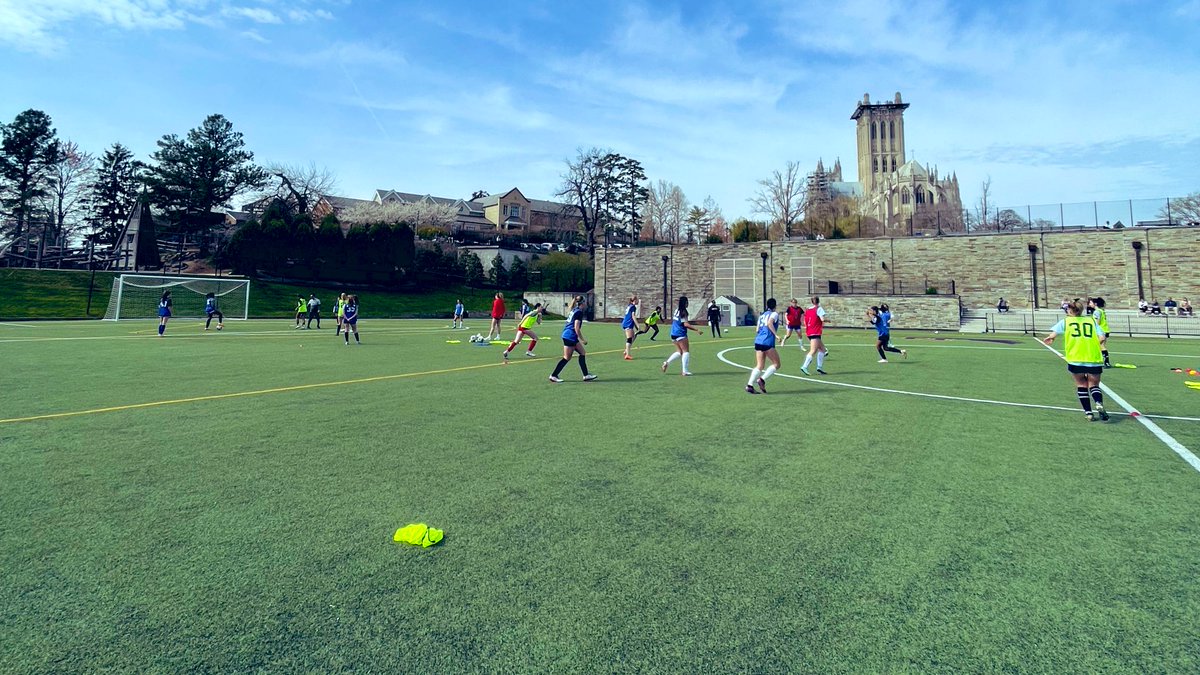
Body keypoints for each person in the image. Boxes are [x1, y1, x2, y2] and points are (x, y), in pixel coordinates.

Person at [1042, 299, 1108, 421]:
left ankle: (1089, 413)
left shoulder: (1066, 322)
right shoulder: (1091, 320)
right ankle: (1098, 403)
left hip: (1076, 357)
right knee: (1094, 385)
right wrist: (1094, 344)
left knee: (1081, 385)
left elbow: (1053, 335)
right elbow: (1102, 337)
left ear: (1070, 310)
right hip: (1093, 357)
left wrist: (1050, 339)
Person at [549, 295, 597, 382]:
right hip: (570, 336)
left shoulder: (574, 310)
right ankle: (553, 375)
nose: (586, 304)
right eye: (585, 302)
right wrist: (582, 340)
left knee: (582, 353)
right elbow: (576, 328)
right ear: (582, 303)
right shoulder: (579, 312)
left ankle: (586, 375)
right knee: (567, 357)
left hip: (570, 336)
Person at [745, 298, 782, 394]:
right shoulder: (774, 314)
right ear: (775, 306)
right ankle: (762, 379)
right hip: (767, 341)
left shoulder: (762, 315)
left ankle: (749, 385)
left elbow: (757, 330)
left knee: (760, 365)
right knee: (776, 364)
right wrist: (776, 335)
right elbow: (770, 323)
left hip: (758, 341)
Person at [661, 295, 704, 376]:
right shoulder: (684, 312)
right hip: (680, 333)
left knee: (679, 352)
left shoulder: (676, 310)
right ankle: (685, 371)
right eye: (687, 302)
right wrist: (697, 330)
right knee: (686, 352)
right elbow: (686, 324)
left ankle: (666, 362)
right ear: (685, 303)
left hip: (673, 333)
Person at [800, 296, 828, 376]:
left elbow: (805, 320)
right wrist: (827, 320)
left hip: (810, 331)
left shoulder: (808, 310)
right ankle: (804, 366)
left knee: (822, 349)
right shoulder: (819, 308)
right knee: (813, 350)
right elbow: (822, 319)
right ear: (818, 301)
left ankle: (819, 367)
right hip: (815, 332)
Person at [1088, 297, 1112, 368]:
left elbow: (1097, 322)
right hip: (1105, 330)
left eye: (1090, 302)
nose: (1089, 304)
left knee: (1100, 346)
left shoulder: (1097, 311)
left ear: (1095, 304)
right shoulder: (1101, 310)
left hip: (1101, 331)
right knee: (1100, 346)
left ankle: (1105, 362)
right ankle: (1103, 362)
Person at [621, 295, 641, 360]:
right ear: (634, 300)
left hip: (627, 323)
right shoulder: (633, 307)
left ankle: (626, 351)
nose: (638, 301)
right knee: (629, 338)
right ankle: (627, 354)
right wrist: (638, 325)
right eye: (637, 299)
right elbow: (633, 316)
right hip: (628, 324)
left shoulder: (630, 306)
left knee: (634, 336)